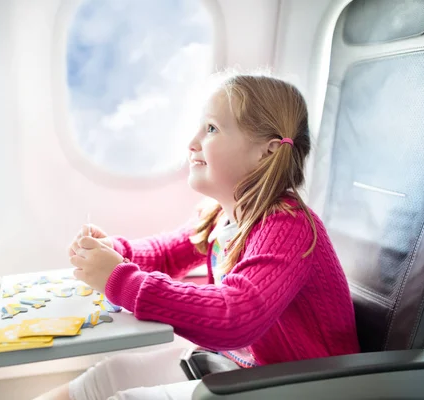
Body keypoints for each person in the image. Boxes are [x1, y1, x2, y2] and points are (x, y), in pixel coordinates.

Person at [35, 72, 360, 400]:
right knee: (107, 378)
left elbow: (234, 315)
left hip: (305, 386)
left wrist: (119, 280)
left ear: (267, 152)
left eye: (211, 129)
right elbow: (165, 255)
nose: (192, 142)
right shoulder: (222, 215)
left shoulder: (289, 226)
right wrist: (114, 253)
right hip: (241, 370)